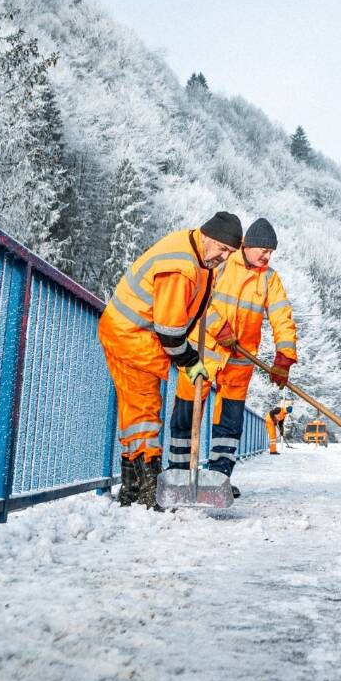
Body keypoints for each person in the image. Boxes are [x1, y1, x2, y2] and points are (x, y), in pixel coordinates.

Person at [98, 211, 242, 509]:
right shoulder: (181, 267)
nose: (224, 257)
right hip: (133, 334)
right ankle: (151, 493)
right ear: (207, 236)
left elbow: (197, 306)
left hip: (135, 332)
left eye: (229, 253)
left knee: (134, 412)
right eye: (223, 249)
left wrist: (217, 328)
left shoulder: (200, 257)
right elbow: (169, 332)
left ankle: (132, 489)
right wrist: (191, 363)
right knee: (145, 412)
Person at [166, 217, 298, 498]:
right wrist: (219, 327)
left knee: (230, 422)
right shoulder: (222, 261)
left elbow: (282, 316)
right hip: (200, 354)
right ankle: (178, 474)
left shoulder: (269, 279)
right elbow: (199, 300)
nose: (267, 255)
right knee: (186, 413)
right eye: (263, 249)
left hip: (240, 362)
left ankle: (219, 478)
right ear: (248, 246)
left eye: (271, 252)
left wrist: (284, 358)